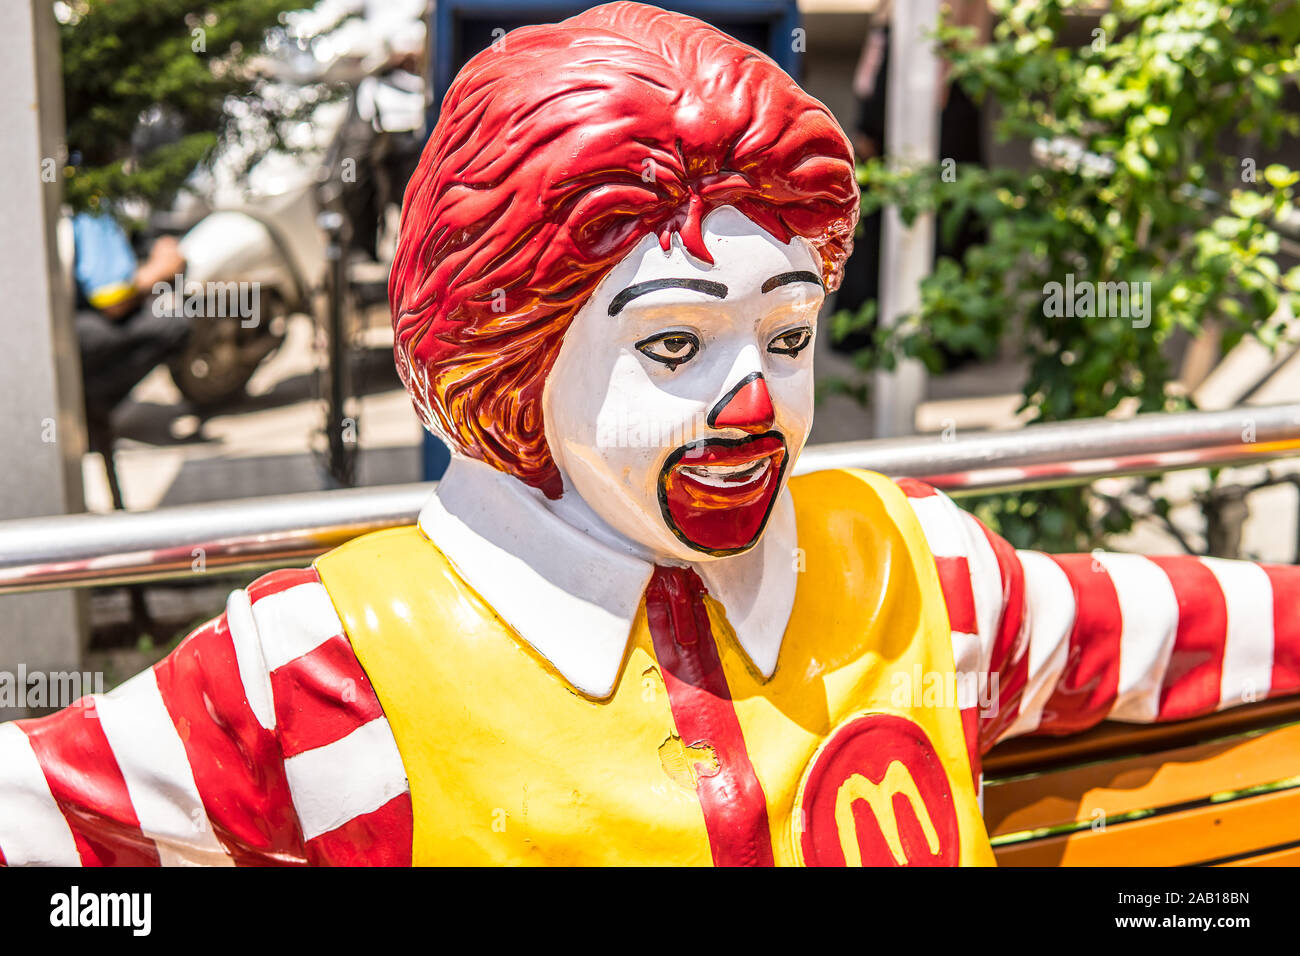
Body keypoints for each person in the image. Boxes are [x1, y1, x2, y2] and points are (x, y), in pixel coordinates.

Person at [0, 2, 1296, 867]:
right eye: (672, 344)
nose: (752, 410)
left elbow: (1183, 630)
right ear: (514, 351)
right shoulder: (326, 672)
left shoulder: (918, 576)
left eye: (787, 340)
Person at [71, 211, 190, 419]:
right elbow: (113, 301)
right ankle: (86, 413)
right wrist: (160, 269)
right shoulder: (92, 204)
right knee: (172, 323)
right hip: (77, 330)